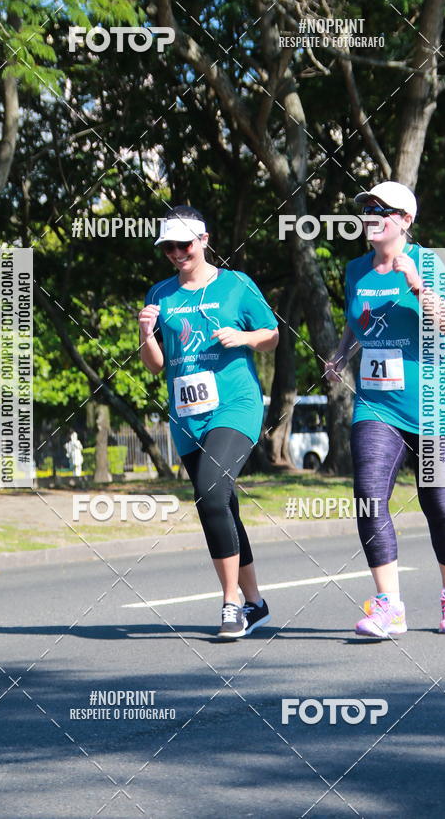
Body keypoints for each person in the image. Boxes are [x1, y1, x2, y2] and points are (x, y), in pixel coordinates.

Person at [325, 181, 445, 637]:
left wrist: (418, 287)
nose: (369, 215)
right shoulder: (354, 270)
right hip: (376, 404)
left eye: (379, 209)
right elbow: (358, 322)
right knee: (369, 494)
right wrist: (340, 352)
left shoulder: (431, 262)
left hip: (434, 406)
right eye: (365, 208)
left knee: (438, 502)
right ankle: (388, 605)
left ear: (405, 220)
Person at [138, 206, 279, 638]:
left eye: (184, 244)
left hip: (235, 405)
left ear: (204, 239)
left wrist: (245, 337)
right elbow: (154, 367)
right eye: (168, 247)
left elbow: (272, 336)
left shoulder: (236, 284)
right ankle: (255, 602)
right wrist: (144, 333)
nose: (177, 253)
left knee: (211, 491)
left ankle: (231, 603)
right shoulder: (160, 295)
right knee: (219, 505)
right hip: (186, 416)